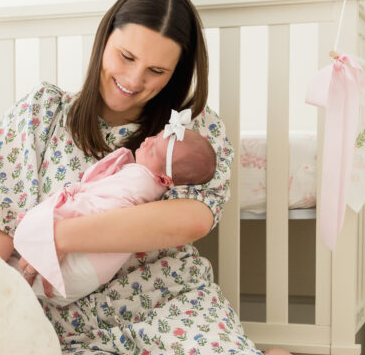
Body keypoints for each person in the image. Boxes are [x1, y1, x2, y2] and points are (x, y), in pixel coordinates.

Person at [0, 0, 365, 355]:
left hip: (167, 306)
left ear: (177, 72)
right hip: (67, 329)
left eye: (157, 70)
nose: (134, 79)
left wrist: (57, 236)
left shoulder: (187, 133)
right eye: (124, 57)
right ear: (104, 41)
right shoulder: (39, 114)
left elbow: (185, 221)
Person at [14, 118, 215, 306]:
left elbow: (98, 208)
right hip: (93, 271)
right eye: (154, 136)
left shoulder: (139, 181)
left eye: (153, 149)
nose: (146, 140)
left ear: (164, 180)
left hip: (83, 262)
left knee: (20, 274)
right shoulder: (145, 184)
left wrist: (59, 215)